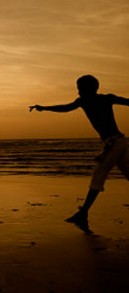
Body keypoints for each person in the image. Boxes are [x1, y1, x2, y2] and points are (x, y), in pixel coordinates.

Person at [30, 75, 129, 230]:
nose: (78, 90)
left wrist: (44, 108)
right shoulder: (96, 100)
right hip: (118, 142)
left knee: (99, 174)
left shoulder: (97, 99)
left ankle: (83, 213)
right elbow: (65, 108)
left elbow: (66, 108)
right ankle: (83, 213)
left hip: (116, 143)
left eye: (79, 86)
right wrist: (44, 108)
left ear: (89, 88)